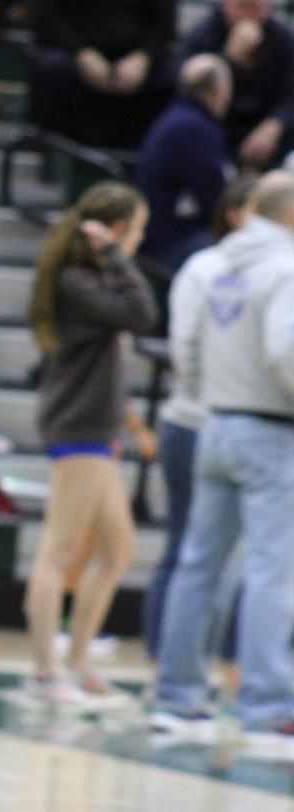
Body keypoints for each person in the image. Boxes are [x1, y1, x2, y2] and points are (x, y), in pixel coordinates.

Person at [150, 170, 294, 738]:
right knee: (271, 568)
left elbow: (184, 347)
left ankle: (176, 691)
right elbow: (286, 352)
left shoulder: (214, 265)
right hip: (270, 428)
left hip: (212, 421)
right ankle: (267, 701)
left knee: (197, 564)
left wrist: (209, 393)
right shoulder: (285, 266)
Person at [24, 181, 159, 703]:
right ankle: (44, 674)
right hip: (77, 430)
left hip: (96, 430)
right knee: (58, 552)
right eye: (138, 230)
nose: (140, 241)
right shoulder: (81, 281)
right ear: (118, 230)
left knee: (119, 549)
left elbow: (105, 361)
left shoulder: (89, 281)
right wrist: (114, 256)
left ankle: (78, 663)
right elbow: (144, 311)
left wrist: (126, 423)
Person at [141, 176, 256, 663]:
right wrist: (215, 400)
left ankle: (217, 662)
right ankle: (162, 657)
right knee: (184, 549)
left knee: (238, 559)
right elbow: (183, 348)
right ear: (233, 213)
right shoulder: (203, 268)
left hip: (239, 423)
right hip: (193, 424)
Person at [27, 0, 176, 149]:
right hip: (73, 53)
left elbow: (165, 23)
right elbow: (45, 15)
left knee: (173, 76)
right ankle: (56, 158)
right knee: (51, 68)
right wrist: (81, 52)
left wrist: (143, 57)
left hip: (138, 61)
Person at [136, 55, 232, 274]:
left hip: (165, 235)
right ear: (219, 91)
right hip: (169, 242)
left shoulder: (179, 118)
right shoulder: (192, 129)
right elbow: (217, 201)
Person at [180, 0, 294, 169]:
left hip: (268, 128)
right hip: (219, 128)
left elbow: (290, 95)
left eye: (255, 8)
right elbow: (188, 89)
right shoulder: (203, 34)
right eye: (241, 7)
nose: (247, 16)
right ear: (225, 6)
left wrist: (275, 125)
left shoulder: (283, 39)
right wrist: (228, 60)